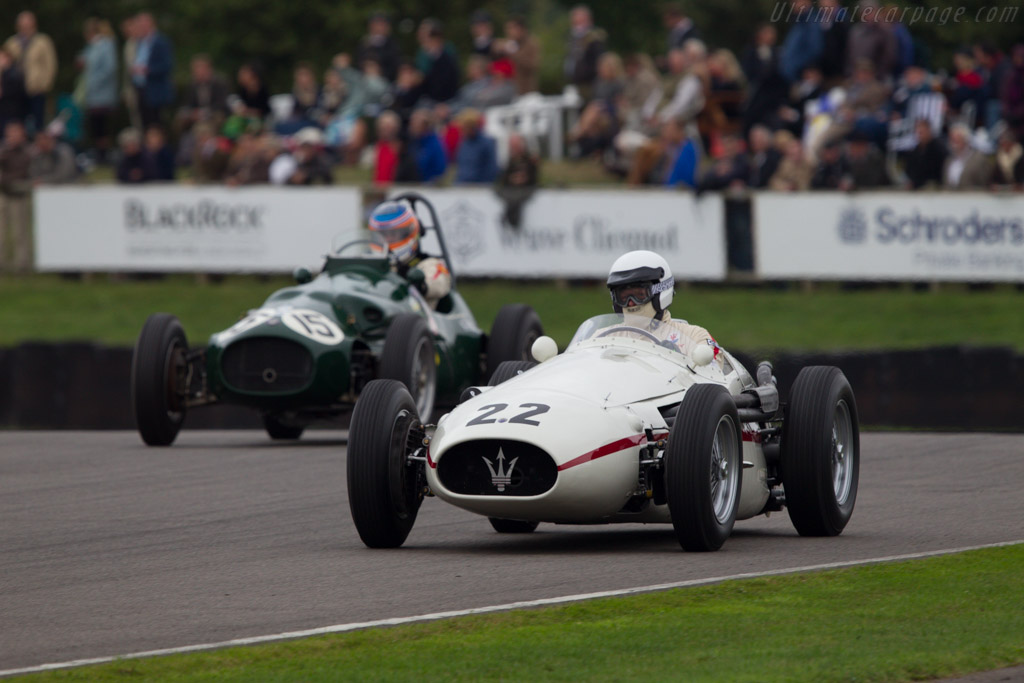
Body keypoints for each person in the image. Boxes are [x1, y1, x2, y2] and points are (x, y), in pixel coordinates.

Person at [605, 250, 721, 363]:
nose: (630, 303)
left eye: (639, 295)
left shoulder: (693, 336)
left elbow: (714, 373)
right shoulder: (603, 337)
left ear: (660, 292)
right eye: (624, 297)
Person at [367, 200, 451, 309]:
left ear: (410, 233)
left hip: (417, 320)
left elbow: (439, 283)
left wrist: (421, 285)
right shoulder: (369, 264)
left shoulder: (429, 264)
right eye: (382, 235)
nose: (386, 240)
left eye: (393, 234)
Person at [3, 11, 56, 133]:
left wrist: (44, 85)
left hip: (36, 89)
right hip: (16, 92)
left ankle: (37, 148)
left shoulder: (42, 42)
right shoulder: (12, 43)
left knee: (39, 122)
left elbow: (50, 65)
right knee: (17, 123)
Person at [77, 18, 118, 163]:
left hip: (102, 94)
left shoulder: (106, 45)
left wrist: (94, 83)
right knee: (94, 125)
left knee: (102, 125)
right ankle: (98, 153)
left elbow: (109, 69)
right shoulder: (92, 46)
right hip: (92, 95)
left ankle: (104, 154)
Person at [130, 12, 174, 127]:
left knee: (156, 123)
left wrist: (147, 70)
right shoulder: (140, 42)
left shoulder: (160, 42)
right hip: (141, 88)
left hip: (155, 91)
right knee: (145, 121)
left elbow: (167, 65)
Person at [0, 120, 33, 272]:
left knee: (20, 231)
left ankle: (22, 264)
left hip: (19, 195)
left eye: (15, 133)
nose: (12, 137)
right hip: (3, 194)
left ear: (22, 135)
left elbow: (23, 173)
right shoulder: (3, 151)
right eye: (10, 133)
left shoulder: (28, 152)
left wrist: (8, 179)